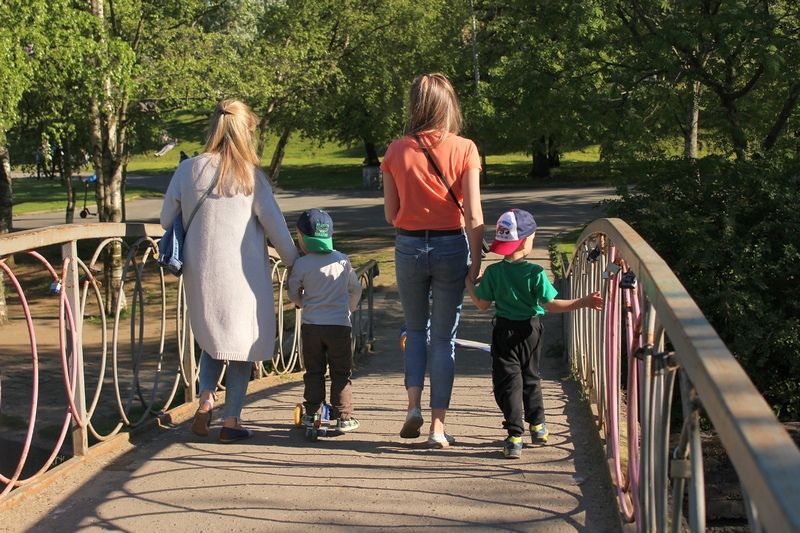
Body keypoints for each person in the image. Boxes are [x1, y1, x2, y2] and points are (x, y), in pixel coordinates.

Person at [160, 99, 298, 443]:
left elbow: (165, 220)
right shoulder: (251, 177)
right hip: (245, 276)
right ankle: (232, 421)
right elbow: (277, 229)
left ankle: (206, 401)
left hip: (202, 273)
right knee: (241, 346)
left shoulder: (187, 169)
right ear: (245, 132)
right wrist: (296, 263)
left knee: (213, 338)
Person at [381, 72, 485, 448]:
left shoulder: (395, 151)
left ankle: (412, 407)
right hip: (450, 247)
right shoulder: (465, 149)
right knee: (444, 339)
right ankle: (438, 428)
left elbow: (391, 216)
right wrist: (475, 264)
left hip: (408, 247)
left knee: (415, 330)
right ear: (448, 105)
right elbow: (473, 215)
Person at [465, 208, 603, 459]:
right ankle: (538, 426)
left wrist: (468, 285)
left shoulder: (494, 273)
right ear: (527, 241)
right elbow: (551, 305)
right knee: (531, 376)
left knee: (509, 384)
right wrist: (582, 302)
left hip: (504, 331)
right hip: (532, 330)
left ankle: (514, 436)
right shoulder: (536, 273)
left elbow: (482, 304)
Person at [287, 208, 362, 431]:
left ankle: (311, 413)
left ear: (301, 238)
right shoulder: (342, 261)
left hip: (312, 326)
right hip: (339, 325)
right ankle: (343, 416)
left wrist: (303, 303)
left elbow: (293, 292)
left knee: (314, 371)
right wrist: (348, 309)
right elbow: (355, 290)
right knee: (341, 371)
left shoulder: (301, 264)